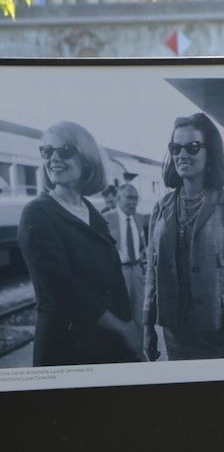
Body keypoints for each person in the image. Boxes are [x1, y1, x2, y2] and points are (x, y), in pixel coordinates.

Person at [18, 121, 142, 366]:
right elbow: (62, 290)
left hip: (107, 346)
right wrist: (124, 329)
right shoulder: (37, 214)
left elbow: (113, 280)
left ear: (87, 159)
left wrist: (133, 329)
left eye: (64, 151)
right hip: (67, 349)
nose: (54, 158)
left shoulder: (92, 213)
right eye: (47, 151)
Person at [143, 112, 224, 361]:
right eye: (176, 147)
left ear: (210, 154)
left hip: (220, 328)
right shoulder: (161, 207)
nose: (182, 155)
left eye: (193, 147)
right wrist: (148, 324)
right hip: (175, 330)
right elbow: (152, 269)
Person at [104, 182, 146, 332]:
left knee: (140, 319)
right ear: (118, 198)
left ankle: (140, 352)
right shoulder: (106, 219)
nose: (133, 202)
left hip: (137, 272)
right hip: (118, 273)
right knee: (121, 317)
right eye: (129, 198)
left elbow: (142, 246)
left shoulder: (139, 218)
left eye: (136, 199)